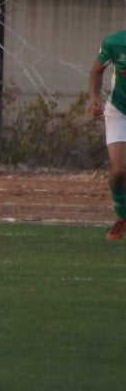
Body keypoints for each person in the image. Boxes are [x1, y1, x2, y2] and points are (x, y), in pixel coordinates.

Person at [89, 30, 126, 240]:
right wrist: (94, 99)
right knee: (120, 170)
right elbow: (96, 71)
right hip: (120, 110)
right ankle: (122, 218)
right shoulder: (115, 42)